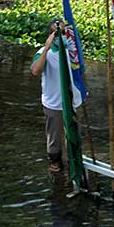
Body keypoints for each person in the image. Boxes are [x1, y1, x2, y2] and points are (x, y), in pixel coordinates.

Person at [30, 19, 83, 172]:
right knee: (54, 136)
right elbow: (35, 71)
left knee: (73, 133)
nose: (62, 36)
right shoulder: (43, 53)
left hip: (74, 101)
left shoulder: (71, 49)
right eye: (57, 33)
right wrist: (47, 48)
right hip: (54, 103)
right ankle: (55, 162)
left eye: (64, 32)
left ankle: (74, 162)